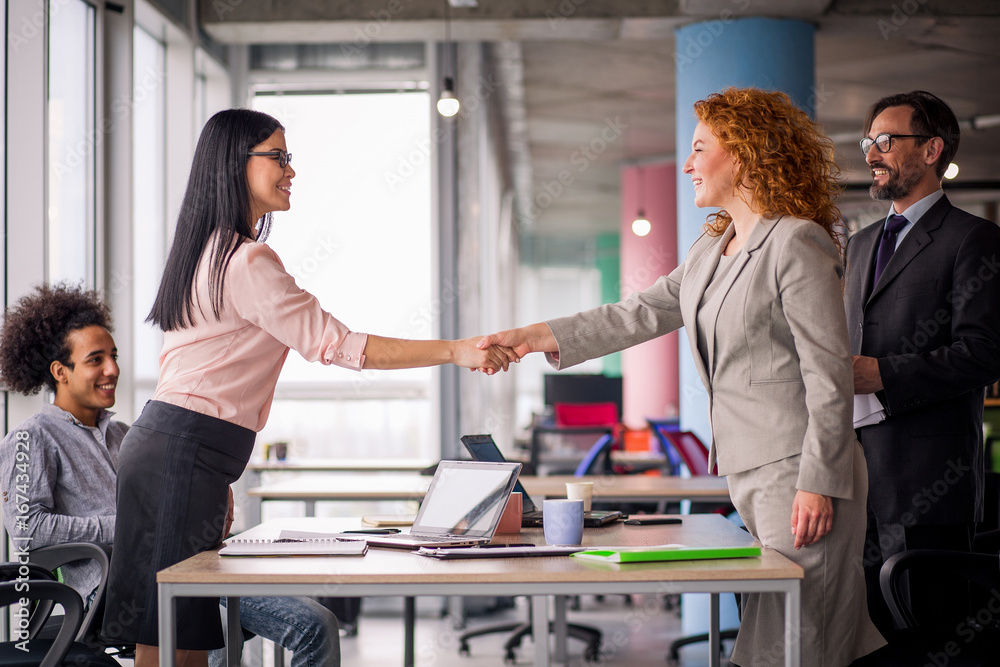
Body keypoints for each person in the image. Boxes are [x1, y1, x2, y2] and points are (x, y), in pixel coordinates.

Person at [478, 87, 885, 666]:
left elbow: (828, 375)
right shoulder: (712, 247)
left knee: (800, 639)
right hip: (752, 471)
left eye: (699, 149)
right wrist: (531, 336)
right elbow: (637, 313)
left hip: (801, 473)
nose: (689, 164)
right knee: (778, 631)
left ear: (743, 154)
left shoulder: (796, 241)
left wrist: (819, 481)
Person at [99, 108, 514, 666]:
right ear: (235, 164)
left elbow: (194, 376)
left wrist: (215, 475)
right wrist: (456, 351)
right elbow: (340, 345)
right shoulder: (245, 260)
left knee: (166, 631)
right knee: (179, 637)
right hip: (183, 452)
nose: (291, 170)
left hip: (174, 448)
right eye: (279, 157)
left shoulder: (204, 252)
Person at [0, 283, 340, 667]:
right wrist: (130, 528)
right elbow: (28, 529)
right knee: (304, 626)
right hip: (111, 586)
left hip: (178, 560)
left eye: (113, 356)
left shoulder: (126, 434)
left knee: (236, 627)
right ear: (60, 371)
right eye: (96, 359)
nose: (112, 369)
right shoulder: (31, 438)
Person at [845, 91, 1000, 635]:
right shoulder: (859, 244)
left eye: (886, 141)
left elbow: (984, 353)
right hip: (853, 477)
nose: (872, 153)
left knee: (928, 635)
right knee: (867, 637)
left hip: (929, 481)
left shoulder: (974, 239)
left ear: (932, 148)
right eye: (869, 141)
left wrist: (882, 374)